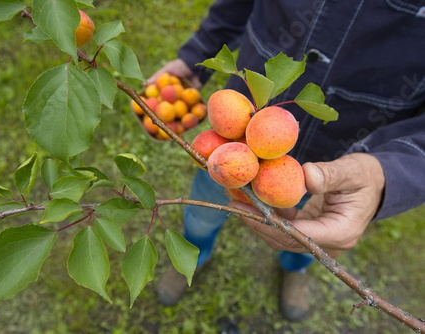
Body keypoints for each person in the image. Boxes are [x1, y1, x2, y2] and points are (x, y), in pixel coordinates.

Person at [148, 0, 425, 322]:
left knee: (307, 233)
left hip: (334, 162)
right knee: (202, 211)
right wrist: (198, 52)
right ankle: (192, 257)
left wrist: (391, 172)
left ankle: (294, 269)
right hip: (235, 138)